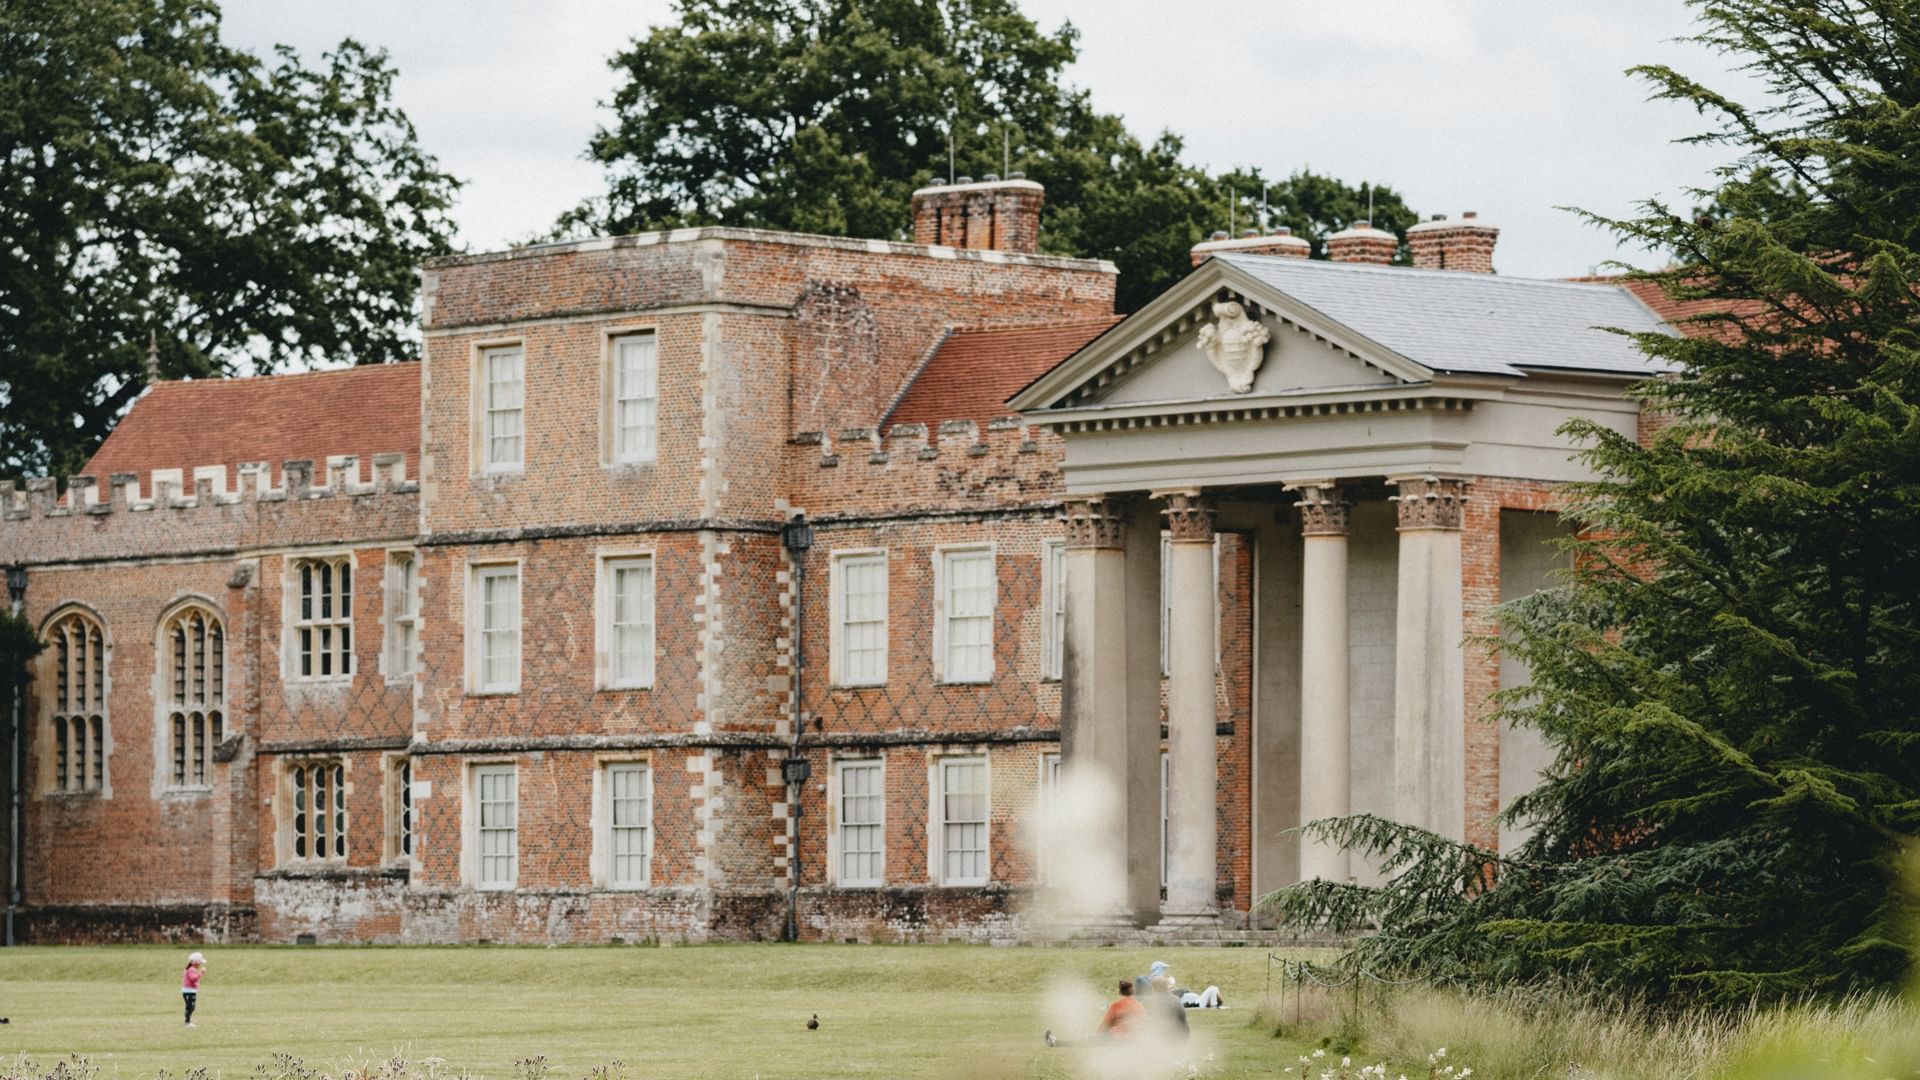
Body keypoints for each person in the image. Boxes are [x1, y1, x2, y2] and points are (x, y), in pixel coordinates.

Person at [1147, 975, 1189, 1039]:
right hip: (1178, 1036)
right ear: (1167, 986)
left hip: (1161, 1038)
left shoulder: (1150, 1001)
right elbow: (1183, 1019)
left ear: (1153, 988)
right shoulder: (1176, 999)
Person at [181, 951, 206, 1027]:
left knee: (191, 1006)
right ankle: (187, 1022)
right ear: (196, 962)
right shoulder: (191, 969)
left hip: (191, 991)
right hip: (189, 992)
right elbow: (193, 978)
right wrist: (201, 973)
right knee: (190, 1007)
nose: (200, 964)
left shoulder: (191, 969)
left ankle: (187, 1021)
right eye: (200, 962)